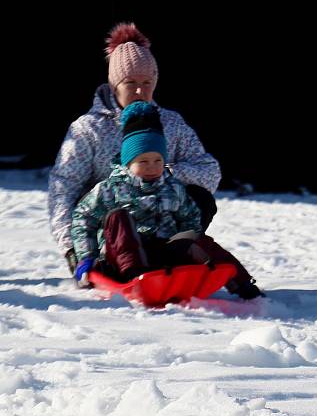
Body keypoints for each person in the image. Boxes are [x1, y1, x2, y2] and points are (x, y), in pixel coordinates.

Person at [48, 22, 221, 275]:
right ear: (114, 85)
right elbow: (63, 188)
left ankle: (178, 256)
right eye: (130, 83)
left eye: (147, 82)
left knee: (200, 198)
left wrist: (161, 172)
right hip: (112, 229)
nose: (140, 90)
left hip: (162, 224)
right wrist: (73, 250)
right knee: (115, 218)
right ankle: (123, 264)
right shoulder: (88, 129)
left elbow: (209, 171)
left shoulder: (171, 123)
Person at [71, 101, 263, 300]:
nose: (152, 167)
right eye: (143, 161)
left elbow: (190, 218)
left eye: (158, 161)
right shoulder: (109, 188)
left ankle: (239, 282)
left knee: (200, 240)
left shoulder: (173, 187)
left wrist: (188, 241)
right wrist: (86, 257)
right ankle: (135, 276)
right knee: (117, 217)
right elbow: (82, 219)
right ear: (128, 163)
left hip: (163, 252)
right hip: (120, 258)